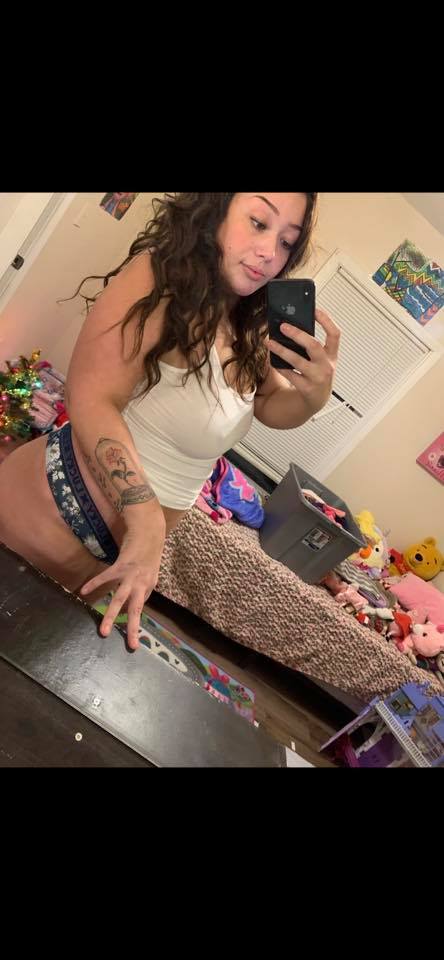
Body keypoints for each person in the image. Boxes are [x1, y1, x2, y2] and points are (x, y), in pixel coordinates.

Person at [0, 192, 340, 650]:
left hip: (112, 559)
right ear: (217, 208)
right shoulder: (158, 276)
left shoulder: (244, 325)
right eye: (259, 222)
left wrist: (315, 396)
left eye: (286, 242)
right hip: (45, 519)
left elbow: (271, 403)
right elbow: (92, 398)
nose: (269, 253)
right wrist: (146, 520)